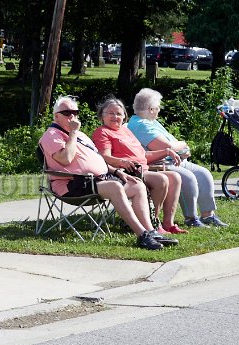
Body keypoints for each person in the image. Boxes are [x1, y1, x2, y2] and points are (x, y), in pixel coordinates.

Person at [39, 96, 171, 251]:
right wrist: (73, 132)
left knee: (137, 185)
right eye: (67, 113)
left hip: (97, 180)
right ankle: (142, 236)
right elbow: (66, 158)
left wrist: (117, 171)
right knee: (114, 187)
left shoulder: (81, 135)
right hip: (72, 185)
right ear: (56, 116)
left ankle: (151, 231)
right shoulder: (52, 135)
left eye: (75, 112)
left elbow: (97, 159)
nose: (72, 116)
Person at [128, 88, 228, 229]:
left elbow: (173, 145)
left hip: (176, 160)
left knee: (204, 174)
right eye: (158, 107)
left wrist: (180, 149)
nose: (159, 110)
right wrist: (184, 144)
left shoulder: (151, 121)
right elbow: (166, 146)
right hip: (160, 164)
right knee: (188, 177)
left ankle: (208, 215)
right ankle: (191, 218)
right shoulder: (140, 125)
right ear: (150, 109)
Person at [91, 97, 187, 235]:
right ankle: (152, 223)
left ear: (124, 117)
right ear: (102, 115)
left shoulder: (126, 131)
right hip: (125, 172)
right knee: (161, 180)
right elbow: (103, 157)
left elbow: (143, 156)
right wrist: (122, 162)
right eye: (110, 113)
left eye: (119, 113)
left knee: (175, 177)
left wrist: (166, 152)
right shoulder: (102, 132)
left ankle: (168, 223)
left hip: (141, 169)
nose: (115, 117)